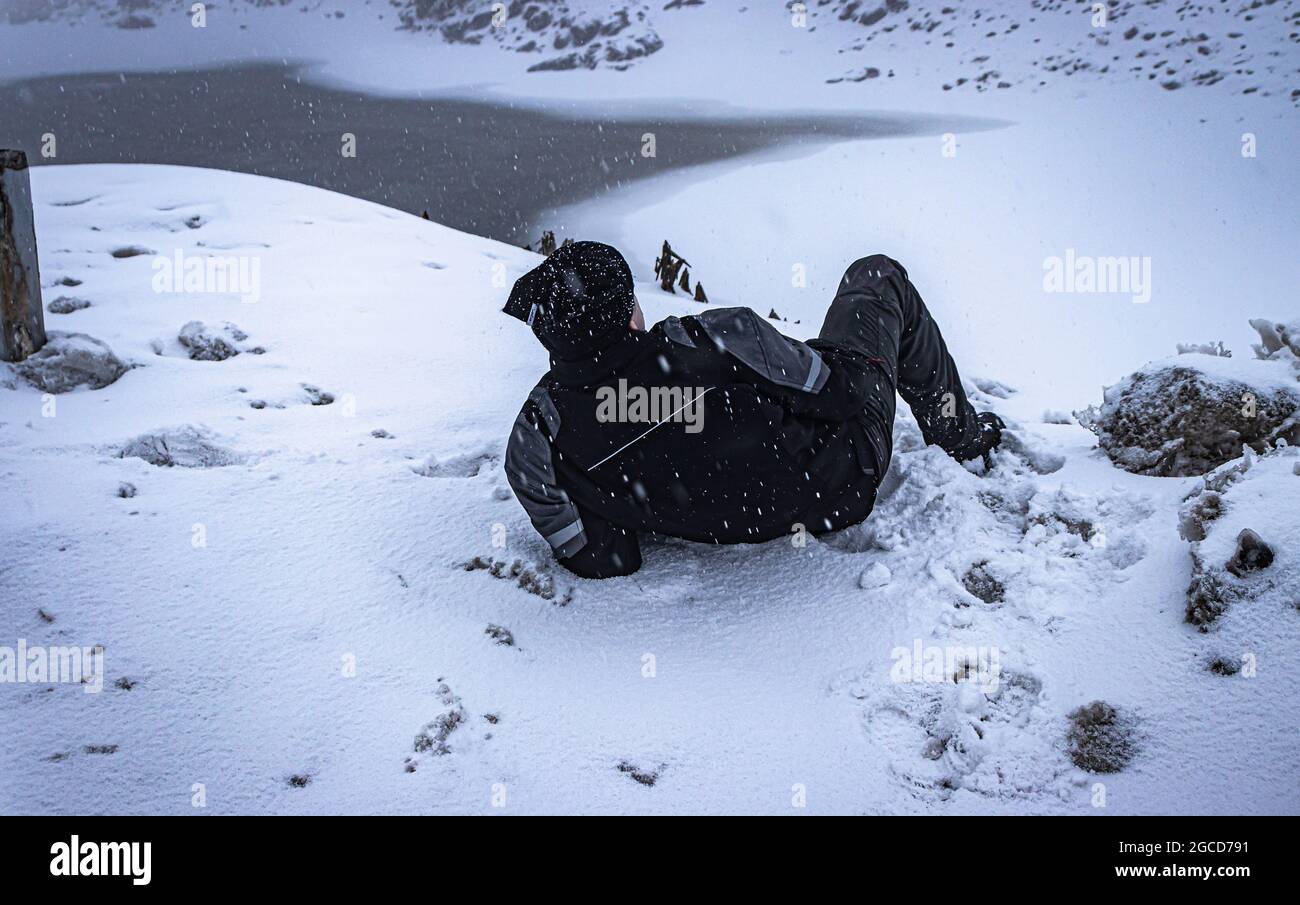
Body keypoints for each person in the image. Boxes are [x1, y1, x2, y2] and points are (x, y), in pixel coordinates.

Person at [502, 241, 1003, 578]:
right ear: (625, 312)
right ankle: (964, 440)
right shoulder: (715, 338)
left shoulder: (535, 439)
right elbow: (840, 396)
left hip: (756, 519)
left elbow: (607, 557)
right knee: (877, 275)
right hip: (845, 483)